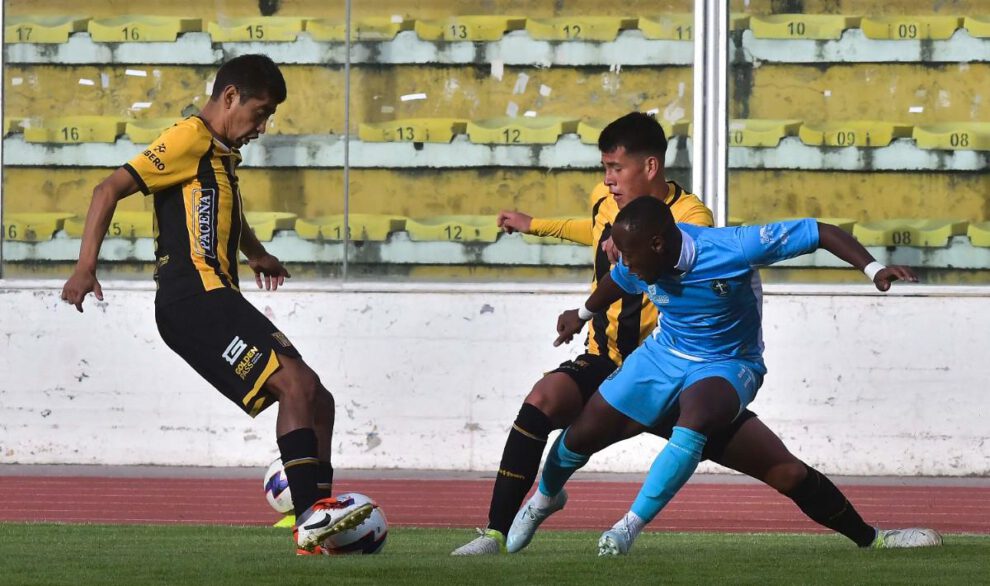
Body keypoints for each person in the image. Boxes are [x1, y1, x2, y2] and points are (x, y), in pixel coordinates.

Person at [454, 112, 939, 556]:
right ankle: (537, 503)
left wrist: (873, 268)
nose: (608, 178)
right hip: (659, 359)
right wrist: (580, 313)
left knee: (778, 466)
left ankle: (874, 539)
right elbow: (615, 280)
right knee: (576, 430)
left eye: (615, 168)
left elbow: (817, 231)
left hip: (724, 365)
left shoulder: (722, 241)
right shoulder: (631, 243)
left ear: (660, 241)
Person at [59, 54, 372, 555]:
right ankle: (310, 521)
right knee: (295, 385)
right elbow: (108, 189)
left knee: (318, 397)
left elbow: (226, 209)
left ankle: (319, 515)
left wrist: (257, 253)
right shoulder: (189, 137)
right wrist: (84, 266)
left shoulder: (220, 152)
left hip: (217, 295)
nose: (263, 127)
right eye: (260, 112)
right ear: (230, 97)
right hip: (192, 299)